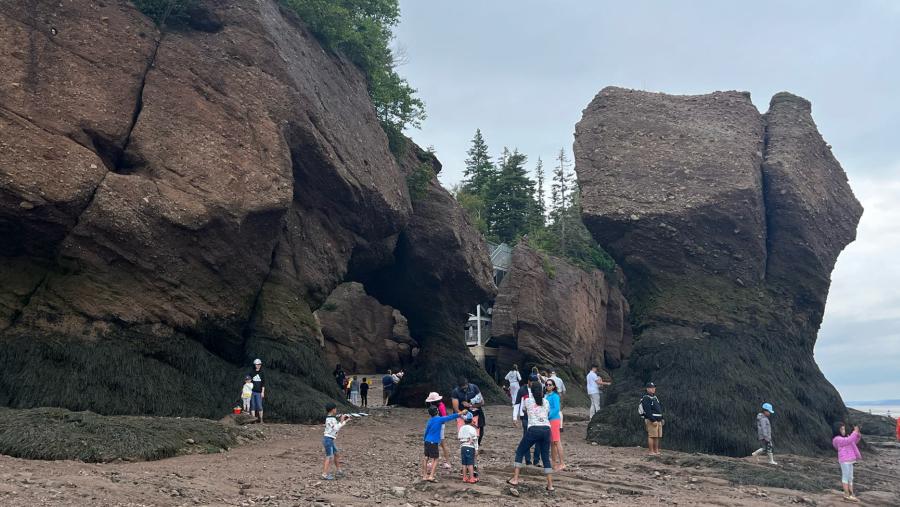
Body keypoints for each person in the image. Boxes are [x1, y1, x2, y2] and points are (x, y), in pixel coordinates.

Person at [508, 380, 554, 491]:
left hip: (533, 428)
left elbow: (523, 410)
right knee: (546, 458)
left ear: (531, 391)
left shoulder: (527, 400)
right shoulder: (546, 402)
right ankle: (550, 485)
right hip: (547, 429)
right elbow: (547, 413)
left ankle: (515, 479)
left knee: (520, 451)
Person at [423, 405, 467, 482]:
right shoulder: (440, 419)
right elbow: (451, 417)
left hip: (427, 441)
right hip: (433, 442)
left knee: (426, 458)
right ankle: (431, 476)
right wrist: (461, 413)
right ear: (437, 412)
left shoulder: (430, 420)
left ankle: (424, 475)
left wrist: (425, 439)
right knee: (435, 459)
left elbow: (426, 431)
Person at [513, 373, 542, 466]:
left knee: (538, 438)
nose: (533, 384)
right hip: (525, 417)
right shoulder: (522, 390)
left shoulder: (539, 389)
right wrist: (515, 417)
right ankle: (528, 460)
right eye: (532, 382)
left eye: (535, 382)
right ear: (528, 382)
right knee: (527, 437)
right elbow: (517, 403)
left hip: (537, 416)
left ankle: (536, 460)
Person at [452, 377, 485, 448]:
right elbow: (455, 408)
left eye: (465, 387)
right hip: (462, 413)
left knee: (479, 430)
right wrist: (463, 416)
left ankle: (477, 445)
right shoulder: (455, 391)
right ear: (459, 386)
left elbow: (482, 402)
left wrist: (470, 405)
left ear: (468, 384)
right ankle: (464, 445)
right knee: (463, 431)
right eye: (462, 388)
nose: (464, 389)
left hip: (476, 412)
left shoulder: (474, 388)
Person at [832, 422, 862, 502]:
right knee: (845, 476)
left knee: (850, 477)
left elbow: (854, 441)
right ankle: (846, 494)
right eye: (842, 429)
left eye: (844, 428)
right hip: (844, 460)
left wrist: (857, 434)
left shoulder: (846, 438)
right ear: (837, 430)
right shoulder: (837, 439)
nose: (843, 430)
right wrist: (854, 432)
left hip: (850, 460)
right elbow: (848, 440)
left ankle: (851, 493)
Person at [322, 402, 351, 480]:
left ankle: (339, 471)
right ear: (332, 409)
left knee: (336, 454)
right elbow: (336, 428)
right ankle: (324, 474)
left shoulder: (331, 418)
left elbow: (336, 426)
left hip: (330, 440)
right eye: (335, 408)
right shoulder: (330, 419)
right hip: (328, 440)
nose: (336, 410)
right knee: (329, 457)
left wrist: (344, 421)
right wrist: (343, 420)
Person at [426, 392, 453, 470]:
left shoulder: (440, 406)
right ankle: (437, 461)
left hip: (440, 426)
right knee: (437, 443)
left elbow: (444, 418)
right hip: (438, 425)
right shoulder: (437, 406)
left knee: (441, 443)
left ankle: (447, 462)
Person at [546, 378, 566, 471]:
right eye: (547, 384)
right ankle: (554, 463)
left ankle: (562, 463)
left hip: (554, 420)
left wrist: (548, 416)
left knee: (557, 441)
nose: (548, 386)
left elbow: (556, 409)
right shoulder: (546, 396)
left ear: (553, 386)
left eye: (550, 384)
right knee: (552, 443)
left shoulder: (555, 396)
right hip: (548, 420)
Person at [640, 382, 663, 455]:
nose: (653, 389)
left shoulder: (655, 397)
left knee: (657, 436)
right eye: (651, 388)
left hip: (658, 419)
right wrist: (653, 420)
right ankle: (651, 451)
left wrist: (662, 418)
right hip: (651, 420)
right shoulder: (646, 398)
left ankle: (656, 450)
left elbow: (659, 408)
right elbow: (647, 410)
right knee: (652, 436)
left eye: (654, 388)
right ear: (647, 389)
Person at [458, 411, 479, 483]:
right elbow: (475, 439)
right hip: (470, 447)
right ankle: (472, 478)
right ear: (471, 420)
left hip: (462, 447)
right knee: (470, 463)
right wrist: (476, 449)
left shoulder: (461, 428)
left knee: (464, 463)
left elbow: (459, 438)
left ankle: (464, 477)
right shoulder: (472, 429)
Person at [249, 358, 266, 423]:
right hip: (252, 392)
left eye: (259, 364)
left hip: (259, 392)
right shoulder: (251, 372)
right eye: (256, 364)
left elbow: (263, 383)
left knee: (259, 405)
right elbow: (248, 382)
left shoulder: (262, 373)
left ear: (260, 365)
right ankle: (253, 420)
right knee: (253, 405)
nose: (258, 365)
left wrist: (263, 392)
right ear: (254, 365)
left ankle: (261, 419)